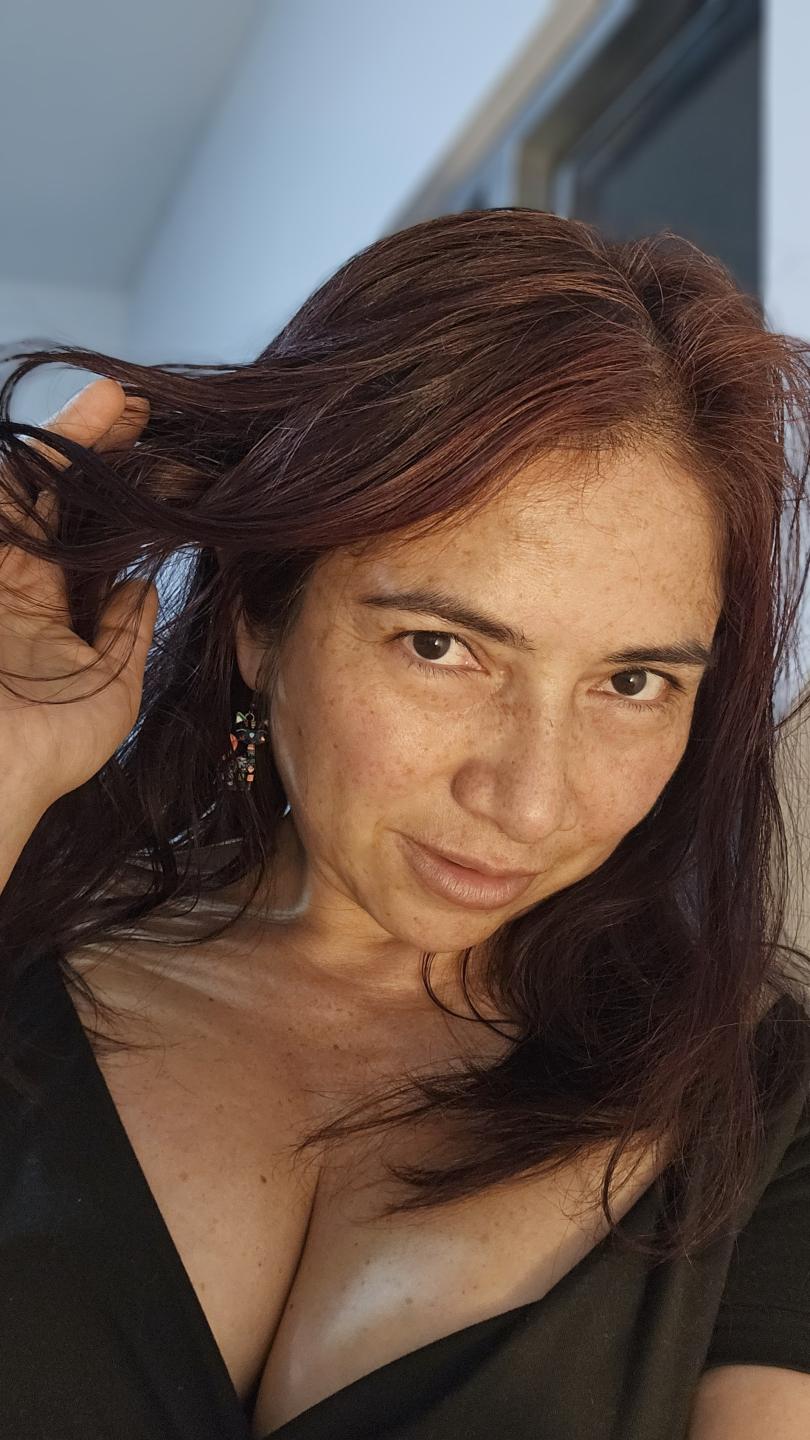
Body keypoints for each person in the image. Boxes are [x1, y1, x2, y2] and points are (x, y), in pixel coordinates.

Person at [1, 207, 810, 1440]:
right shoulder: (19, 953)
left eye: (633, 681)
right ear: (258, 619)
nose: (529, 799)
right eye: (441, 647)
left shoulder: (766, 1100)